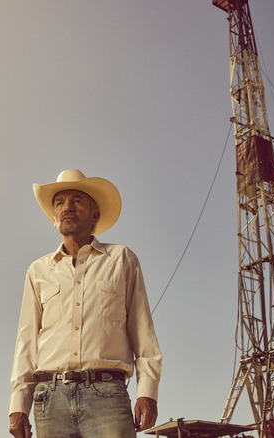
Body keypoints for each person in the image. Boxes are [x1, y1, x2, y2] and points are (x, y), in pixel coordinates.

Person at [9, 169, 162, 438]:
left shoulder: (122, 260)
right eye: (60, 202)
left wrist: (147, 392)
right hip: (49, 398)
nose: (67, 207)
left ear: (95, 215)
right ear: (54, 219)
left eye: (77, 200)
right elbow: (26, 341)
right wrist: (18, 406)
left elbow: (144, 335)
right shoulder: (38, 271)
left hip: (107, 396)